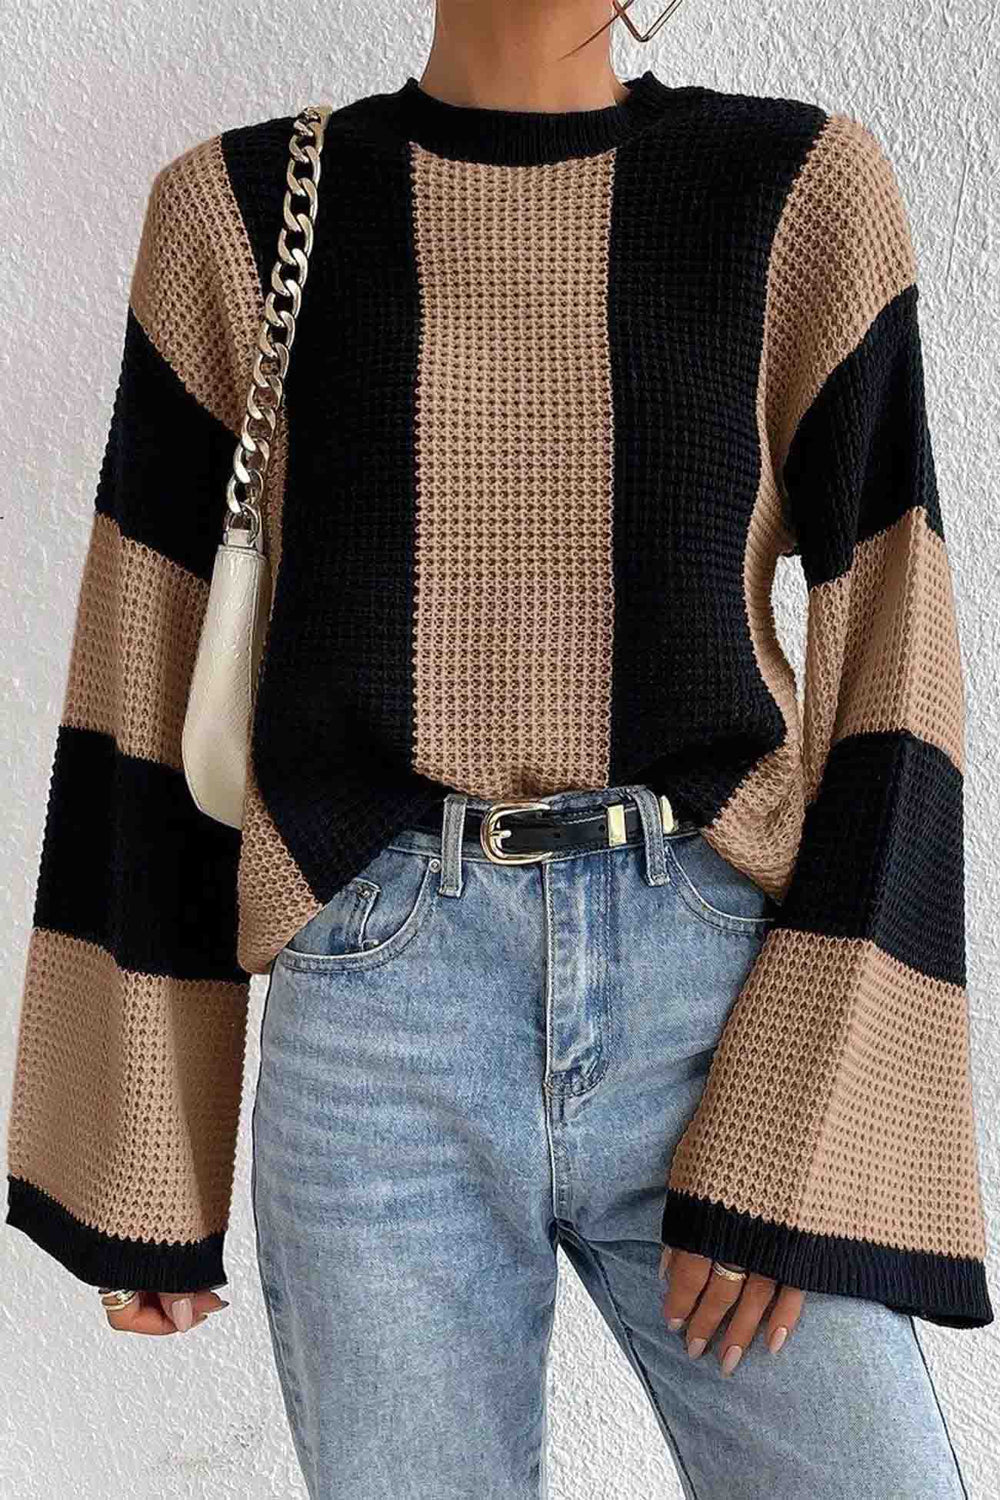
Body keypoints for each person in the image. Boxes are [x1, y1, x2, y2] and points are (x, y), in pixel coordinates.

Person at [5, 1, 991, 1495]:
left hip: (714, 995)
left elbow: (897, 665)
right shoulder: (237, 210)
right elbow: (142, 667)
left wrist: (812, 1110)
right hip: (377, 1017)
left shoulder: (795, 190)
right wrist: (139, 1153)